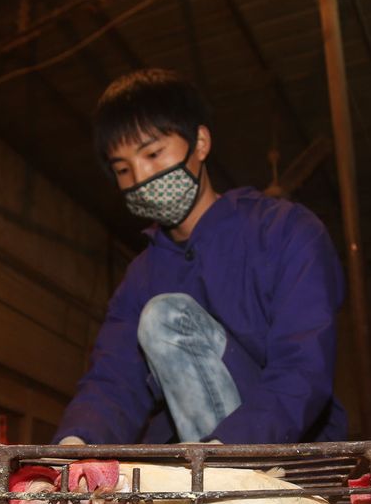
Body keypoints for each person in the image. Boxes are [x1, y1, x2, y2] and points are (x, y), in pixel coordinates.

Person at [52, 68, 348, 445]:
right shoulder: (140, 277)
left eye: (154, 153)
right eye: (123, 169)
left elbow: (303, 365)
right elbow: (114, 379)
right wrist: (74, 446)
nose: (141, 178)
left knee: (165, 318)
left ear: (201, 142)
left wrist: (229, 451)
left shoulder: (284, 230)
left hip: (287, 450)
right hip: (187, 462)